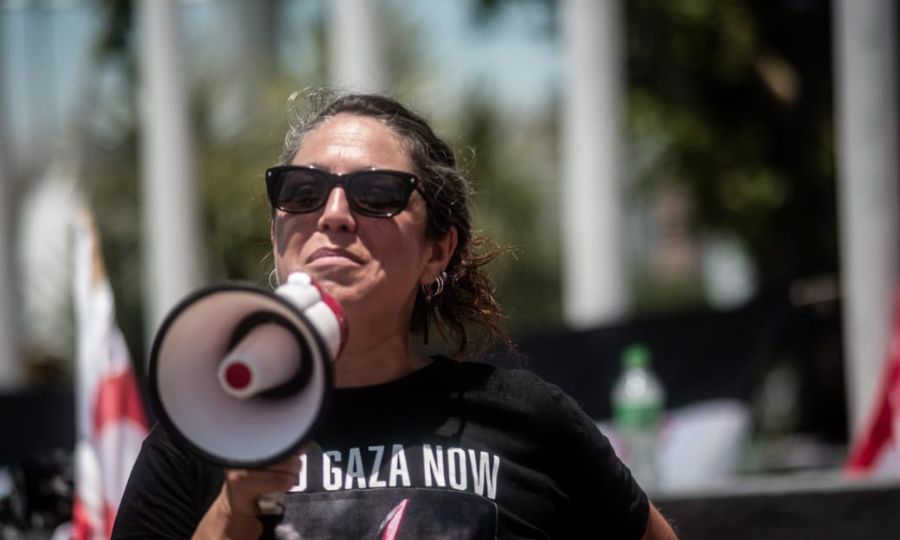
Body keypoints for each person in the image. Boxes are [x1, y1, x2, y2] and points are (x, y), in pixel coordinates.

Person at [112, 91, 678, 539]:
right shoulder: (200, 435)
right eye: (303, 191)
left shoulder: (528, 419)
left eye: (378, 193)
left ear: (437, 251)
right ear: (277, 230)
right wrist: (235, 510)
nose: (334, 214)